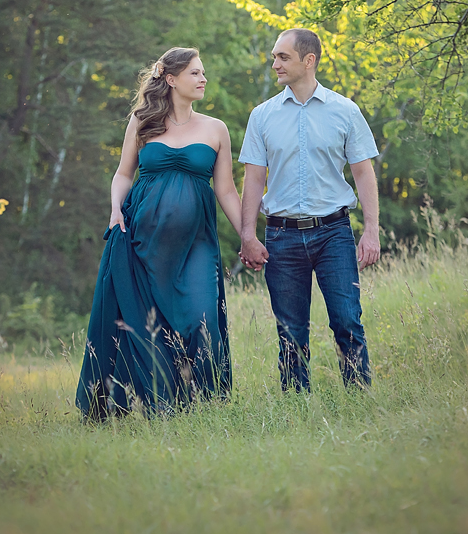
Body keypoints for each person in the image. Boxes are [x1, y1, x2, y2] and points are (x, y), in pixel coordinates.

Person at [76, 47, 243, 420]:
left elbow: (227, 190)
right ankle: (157, 405)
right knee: (145, 322)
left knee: (202, 318)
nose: (203, 79)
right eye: (195, 73)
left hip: (197, 244)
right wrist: (116, 209)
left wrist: (248, 236)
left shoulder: (216, 129)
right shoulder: (142, 121)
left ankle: (206, 406)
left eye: (203, 73)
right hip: (141, 240)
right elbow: (123, 174)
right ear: (171, 79)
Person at [238, 28, 380, 392]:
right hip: (281, 236)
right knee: (290, 330)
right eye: (274, 57)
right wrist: (248, 235)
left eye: (282, 57)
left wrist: (371, 230)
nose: (275, 64)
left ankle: (359, 399)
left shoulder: (345, 111)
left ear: (309, 60)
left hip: (333, 232)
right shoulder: (262, 116)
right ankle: (296, 403)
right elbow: (254, 179)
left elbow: (363, 172)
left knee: (347, 320)